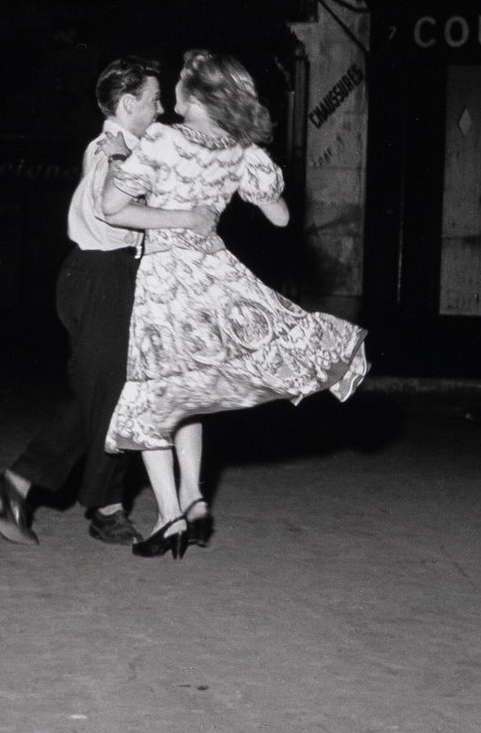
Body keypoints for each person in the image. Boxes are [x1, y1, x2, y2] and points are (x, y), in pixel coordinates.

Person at [102, 48, 368, 559]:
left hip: (167, 280)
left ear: (200, 95)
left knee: (155, 397)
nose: (175, 88)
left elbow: (113, 209)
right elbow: (281, 217)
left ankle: (171, 517)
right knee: (190, 391)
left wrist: (159, 197)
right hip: (215, 276)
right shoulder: (242, 150)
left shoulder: (162, 139)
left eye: (182, 80)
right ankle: (194, 496)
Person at [0, 57, 214, 546]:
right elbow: (115, 215)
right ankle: (77, 498)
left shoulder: (127, 147)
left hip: (109, 277)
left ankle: (78, 498)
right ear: (128, 104)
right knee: (109, 394)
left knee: (108, 394)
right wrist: (186, 218)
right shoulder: (112, 152)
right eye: (153, 100)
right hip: (101, 275)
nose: (161, 108)